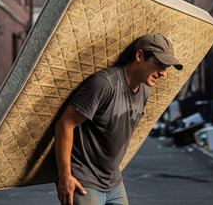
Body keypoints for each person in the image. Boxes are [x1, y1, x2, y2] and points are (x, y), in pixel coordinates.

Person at [54, 33, 183, 205]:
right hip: (84, 179)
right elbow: (65, 124)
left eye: (166, 67)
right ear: (139, 56)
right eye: (159, 64)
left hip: (113, 181)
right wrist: (65, 176)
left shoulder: (145, 91)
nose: (163, 73)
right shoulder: (104, 84)